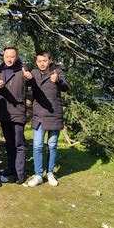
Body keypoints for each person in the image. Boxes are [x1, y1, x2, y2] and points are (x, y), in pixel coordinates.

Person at [26, 51, 70, 188]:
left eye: (44, 61)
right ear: (36, 62)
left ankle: (50, 173)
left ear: (49, 60)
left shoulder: (57, 72)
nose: (42, 63)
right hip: (39, 115)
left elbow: (67, 88)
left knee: (52, 145)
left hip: (54, 114)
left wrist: (58, 81)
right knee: (38, 146)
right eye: (39, 61)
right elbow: (25, 86)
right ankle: (38, 175)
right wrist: (25, 78)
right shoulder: (33, 73)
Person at [0, 47, 32, 184]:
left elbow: (32, 82)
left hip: (17, 111)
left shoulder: (23, 70)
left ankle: (20, 173)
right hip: (4, 112)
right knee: (9, 143)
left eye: (12, 56)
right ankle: (11, 168)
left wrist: (29, 77)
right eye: (6, 56)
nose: (9, 59)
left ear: (16, 57)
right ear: (3, 57)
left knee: (19, 143)